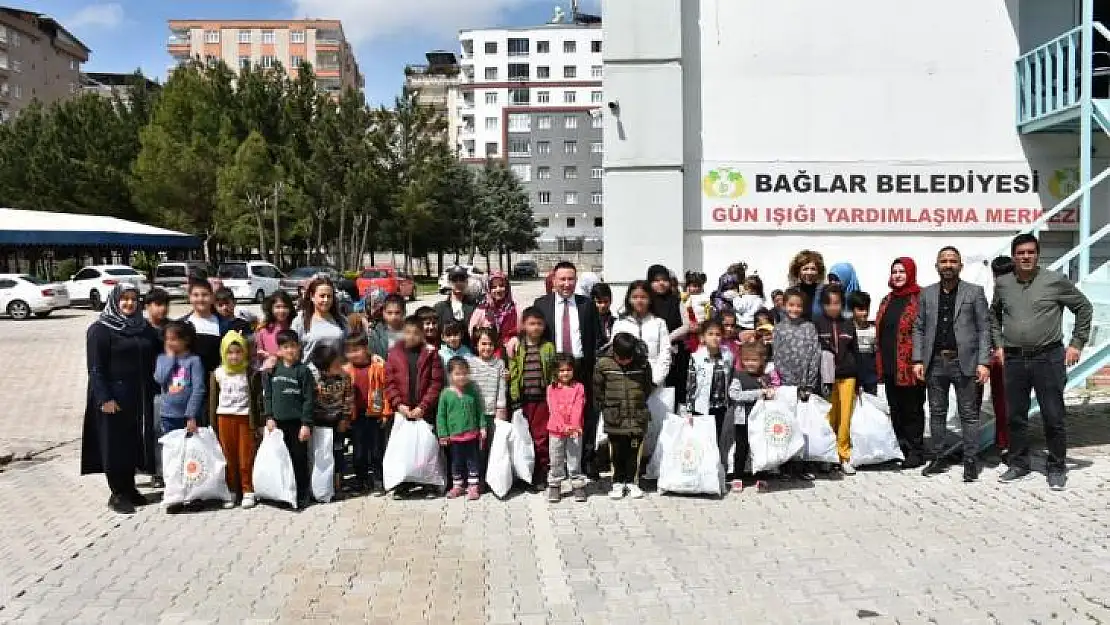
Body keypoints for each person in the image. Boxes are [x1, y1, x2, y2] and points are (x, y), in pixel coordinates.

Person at [992, 233, 1093, 490]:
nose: (1025, 256)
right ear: (1014, 256)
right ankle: (1018, 463)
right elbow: (993, 316)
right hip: (1014, 360)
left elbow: (1084, 307)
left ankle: (1057, 467)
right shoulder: (1003, 284)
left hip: (1048, 358)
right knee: (1015, 416)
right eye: (1020, 253)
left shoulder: (1055, 281)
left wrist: (1076, 344)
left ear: (1037, 255)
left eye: (1030, 252)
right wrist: (999, 344)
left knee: (1053, 416)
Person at [911, 246, 992, 482]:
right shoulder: (927, 294)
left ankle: (970, 461)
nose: (948, 265)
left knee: (968, 414)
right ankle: (938, 458)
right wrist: (917, 359)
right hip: (935, 362)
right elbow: (919, 327)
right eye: (944, 261)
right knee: (936, 413)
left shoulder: (974, 292)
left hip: (964, 361)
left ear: (960, 265)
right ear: (937, 266)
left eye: (953, 261)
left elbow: (984, 328)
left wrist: (984, 362)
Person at [81, 283, 159, 514]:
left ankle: (130, 487)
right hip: (113, 399)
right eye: (124, 299)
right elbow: (95, 368)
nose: (129, 303)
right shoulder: (100, 330)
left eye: (133, 299)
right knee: (114, 445)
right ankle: (117, 493)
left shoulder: (142, 327)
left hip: (139, 398)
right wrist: (104, 398)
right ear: (114, 300)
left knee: (133, 443)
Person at [532, 261, 601, 473]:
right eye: (562, 279)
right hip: (555, 367)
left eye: (571, 279)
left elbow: (595, 337)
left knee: (584, 413)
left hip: (581, 366)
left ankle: (584, 461)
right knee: (556, 413)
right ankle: (555, 463)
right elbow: (533, 333)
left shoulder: (586, 305)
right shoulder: (541, 304)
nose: (566, 283)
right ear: (553, 280)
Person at [384, 315, 445, 498]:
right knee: (404, 449)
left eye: (416, 333)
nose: (411, 336)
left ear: (422, 335)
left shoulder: (431, 353)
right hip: (403, 411)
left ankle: (428, 483)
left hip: (423, 412)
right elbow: (389, 382)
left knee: (426, 448)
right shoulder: (394, 353)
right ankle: (404, 482)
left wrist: (424, 406)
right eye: (407, 332)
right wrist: (398, 404)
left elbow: (436, 382)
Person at [875, 257, 927, 469]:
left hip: (910, 366)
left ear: (911, 273)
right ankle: (900, 447)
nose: (897, 275)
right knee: (895, 408)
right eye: (895, 271)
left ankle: (916, 451)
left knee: (912, 409)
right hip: (889, 365)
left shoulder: (920, 298)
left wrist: (921, 359)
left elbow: (925, 331)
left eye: (902, 272)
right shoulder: (887, 299)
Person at [594, 332, 654, 500]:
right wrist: (607, 406)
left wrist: (638, 402)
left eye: (629, 358)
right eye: (622, 358)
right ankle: (617, 482)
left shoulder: (642, 364)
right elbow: (598, 389)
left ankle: (632, 482)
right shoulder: (603, 364)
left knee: (634, 452)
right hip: (615, 417)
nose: (626, 362)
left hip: (637, 416)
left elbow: (647, 387)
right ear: (614, 352)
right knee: (617, 452)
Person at [208, 330, 263, 508]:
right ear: (223, 353)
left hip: (245, 419)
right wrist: (213, 425)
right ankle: (231, 490)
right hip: (224, 418)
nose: (234, 356)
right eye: (230, 352)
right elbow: (212, 401)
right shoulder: (218, 373)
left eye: (238, 352)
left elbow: (257, 400)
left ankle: (247, 490)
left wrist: (259, 423)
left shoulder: (251, 373)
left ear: (245, 353)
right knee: (228, 456)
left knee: (245, 455)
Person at [263, 330, 315, 510]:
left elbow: (309, 399)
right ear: (279, 350)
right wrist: (269, 417)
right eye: (286, 347)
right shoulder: (273, 370)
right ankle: (283, 493)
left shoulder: (303, 371)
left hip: (297, 424)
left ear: (299, 348)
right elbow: (267, 395)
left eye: (293, 346)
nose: (290, 350)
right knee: (280, 461)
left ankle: (302, 493)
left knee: (298, 459)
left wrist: (306, 424)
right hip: (278, 424)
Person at [772, 287, 821, 481]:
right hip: (785, 386)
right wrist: (782, 383)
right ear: (784, 306)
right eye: (791, 305)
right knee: (786, 423)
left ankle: (802, 465)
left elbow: (814, 356)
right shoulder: (779, 329)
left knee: (803, 425)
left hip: (804, 386)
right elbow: (777, 358)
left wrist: (808, 383)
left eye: (798, 306)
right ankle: (785, 464)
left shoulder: (809, 328)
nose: (794, 309)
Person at [814, 284, 860, 475]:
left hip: (848, 376)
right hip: (827, 378)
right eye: (829, 303)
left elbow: (856, 351)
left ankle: (844, 455)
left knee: (845, 417)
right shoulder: (817, 323)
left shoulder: (849, 323)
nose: (833, 307)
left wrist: (861, 381)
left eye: (837, 303)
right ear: (823, 305)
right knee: (829, 416)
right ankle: (828, 455)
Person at [508, 307, 557, 486]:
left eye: (539, 324)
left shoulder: (548, 347)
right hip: (524, 400)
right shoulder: (518, 347)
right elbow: (513, 374)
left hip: (542, 400)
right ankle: (523, 473)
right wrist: (514, 397)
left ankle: (541, 472)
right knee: (523, 437)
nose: (535, 328)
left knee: (541, 437)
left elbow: (553, 373)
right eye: (531, 324)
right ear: (523, 325)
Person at [684, 319, 735, 473]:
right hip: (701, 405)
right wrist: (689, 409)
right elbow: (691, 383)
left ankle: (714, 470)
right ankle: (700, 470)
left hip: (720, 405)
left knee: (717, 437)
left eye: (718, 334)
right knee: (702, 439)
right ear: (702, 337)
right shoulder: (696, 357)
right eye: (710, 334)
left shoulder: (727, 355)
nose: (714, 338)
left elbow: (731, 378)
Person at [728, 340, 780, 492]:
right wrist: (759, 393)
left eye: (754, 360)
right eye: (747, 360)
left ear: (762, 360)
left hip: (760, 421)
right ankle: (738, 477)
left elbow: (771, 394)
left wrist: (770, 393)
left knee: (760, 448)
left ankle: (761, 477)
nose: (750, 363)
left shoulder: (765, 378)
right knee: (741, 448)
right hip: (743, 420)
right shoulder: (739, 376)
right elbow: (734, 394)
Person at [345, 334, 390, 495]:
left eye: (357, 350)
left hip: (375, 414)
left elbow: (385, 391)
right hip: (356, 417)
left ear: (366, 348)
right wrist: (346, 417)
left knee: (377, 450)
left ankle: (378, 480)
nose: (353, 354)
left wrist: (385, 413)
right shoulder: (347, 370)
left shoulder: (378, 367)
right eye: (349, 351)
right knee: (358, 451)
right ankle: (361, 480)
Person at [437, 358, 487, 500]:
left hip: (471, 435)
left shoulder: (472, 390)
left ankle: (473, 487)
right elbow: (441, 416)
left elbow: (479, 410)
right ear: (450, 375)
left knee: (473, 461)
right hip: (454, 438)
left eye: (465, 373)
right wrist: (443, 434)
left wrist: (482, 426)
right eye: (458, 374)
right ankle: (457, 486)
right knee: (456, 462)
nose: (462, 377)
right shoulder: (446, 394)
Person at [310, 345, 353, 501]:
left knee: (338, 454)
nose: (339, 366)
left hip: (337, 423)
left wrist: (344, 419)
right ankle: (321, 486)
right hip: (320, 425)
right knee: (322, 456)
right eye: (335, 364)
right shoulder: (314, 379)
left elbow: (348, 399)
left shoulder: (345, 377)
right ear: (325, 369)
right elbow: (311, 402)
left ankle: (337, 485)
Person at [180, 278, 226, 421]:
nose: (200, 299)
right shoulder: (183, 325)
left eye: (205, 295)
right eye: (196, 295)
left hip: (215, 385)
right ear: (190, 297)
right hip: (188, 385)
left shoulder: (222, 324)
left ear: (212, 297)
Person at [467, 327, 507, 487]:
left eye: (490, 344)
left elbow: (502, 387)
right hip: (475, 413)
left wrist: (501, 409)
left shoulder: (499, 363)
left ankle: (491, 478)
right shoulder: (470, 363)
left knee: (492, 446)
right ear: (476, 345)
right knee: (477, 447)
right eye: (483, 344)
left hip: (493, 412)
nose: (487, 348)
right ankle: (477, 478)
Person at [612, 280, 672, 388]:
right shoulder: (620, 323)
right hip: (627, 382)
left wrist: (655, 381)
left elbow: (665, 354)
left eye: (643, 297)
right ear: (629, 299)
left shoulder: (659, 323)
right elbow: (614, 351)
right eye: (635, 297)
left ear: (650, 299)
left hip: (654, 381)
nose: (639, 301)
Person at [546, 354, 587, 503]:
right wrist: (563, 427)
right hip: (556, 431)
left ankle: (577, 484)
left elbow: (578, 407)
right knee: (556, 459)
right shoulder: (551, 389)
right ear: (555, 372)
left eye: (568, 370)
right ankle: (555, 485)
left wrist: (574, 426)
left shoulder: (579, 387)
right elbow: (553, 410)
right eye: (561, 370)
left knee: (574, 459)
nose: (565, 373)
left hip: (575, 431)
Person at [647, 264, 690, 405]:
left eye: (664, 279)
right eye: (656, 280)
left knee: (675, 391)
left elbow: (687, 325)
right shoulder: (646, 302)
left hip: (676, 355)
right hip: (652, 354)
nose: (661, 283)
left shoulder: (676, 301)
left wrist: (668, 338)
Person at [143, 288, 171, 488]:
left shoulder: (171, 329)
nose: (162, 309)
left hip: (166, 386)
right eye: (157, 304)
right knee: (147, 430)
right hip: (143, 384)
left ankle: (160, 472)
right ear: (147, 306)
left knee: (160, 429)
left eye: (164, 305)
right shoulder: (140, 328)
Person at [987, 255, 1015, 453]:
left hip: (1019, 355)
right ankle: (1003, 441)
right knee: (1000, 402)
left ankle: (1011, 442)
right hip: (999, 356)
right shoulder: (995, 295)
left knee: (1013, 403)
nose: (999, 279)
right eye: (997, 275)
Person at [292, 277, 348, 364]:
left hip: (337, 374)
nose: (326, 300)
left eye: (329, 296)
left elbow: (349, 347)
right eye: (322, 296)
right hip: (309, 374)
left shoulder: (341, 320)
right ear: (312, 297)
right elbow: (292, 350)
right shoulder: (300, 321)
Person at [469, 270, 519, 351]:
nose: (498, 290)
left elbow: (521, 333)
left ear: (507, 288)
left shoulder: (514, 309)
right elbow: (472, 333)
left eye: (501, 285)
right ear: (488, 289)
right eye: (494, 287)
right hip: (487, 355)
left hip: (510, 355)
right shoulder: (481, 310)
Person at [435, 266, 478, 348]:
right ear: (449, 282)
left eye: (462, 279)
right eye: (454, 280)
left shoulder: (475, 307)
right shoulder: (439, 308)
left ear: (467, 282)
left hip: (469, 353)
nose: (458, 283)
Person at [255, 291, 295, 374]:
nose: (281, 311)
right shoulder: (263, 330)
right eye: (278, 307)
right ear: (271, 309)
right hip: (271, 373)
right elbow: (260, 354)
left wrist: (273, 355)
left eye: (285, 307)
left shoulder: (295, 327)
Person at [848, 292, 879, 395]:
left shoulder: (874, 330)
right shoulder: (846, 330)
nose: (865, 313)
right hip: (851, 379)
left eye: (867, 309)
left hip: (870, 380)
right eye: (860, 310)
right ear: (852, 310)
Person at [787, 250, 826, 320]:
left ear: (818, 272)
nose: (809, 272)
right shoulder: (792, 292)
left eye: (813, 269)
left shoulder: (824, 291)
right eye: (805, 269)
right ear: (798, 271)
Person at [369, 294, 407, 363]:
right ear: (383, 313)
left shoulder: (411, 330)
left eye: (397, 313)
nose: (393, 317)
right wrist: (373, 357)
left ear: (404, 312)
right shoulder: (376, 332)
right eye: (389, 313)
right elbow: (371, 353)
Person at [591, 282, 616, 349]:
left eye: (606, 301)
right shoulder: (587, 322)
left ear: (610, 301)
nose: (603, 305)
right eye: (599, 302)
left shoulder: (616, 322)